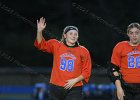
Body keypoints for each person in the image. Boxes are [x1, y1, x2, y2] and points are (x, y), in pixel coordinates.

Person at [34, 17, 92, 100]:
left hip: (75, 88)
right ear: (65, 35)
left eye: (75, 34)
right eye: (71, 33)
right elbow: (40, 45)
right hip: (56, 87)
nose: (73, 36)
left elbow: (87, 71)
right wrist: (39, 31)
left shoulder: (83, 51)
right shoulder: (56, 45)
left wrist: (75, 80)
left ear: (78, 36)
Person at [108, 23, 140, 100]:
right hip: (126, 87)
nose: (134, 35)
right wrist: (119, 89)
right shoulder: (120, 46)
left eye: (137, 33)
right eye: (131, 33)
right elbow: (113, 69)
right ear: (128, 34)